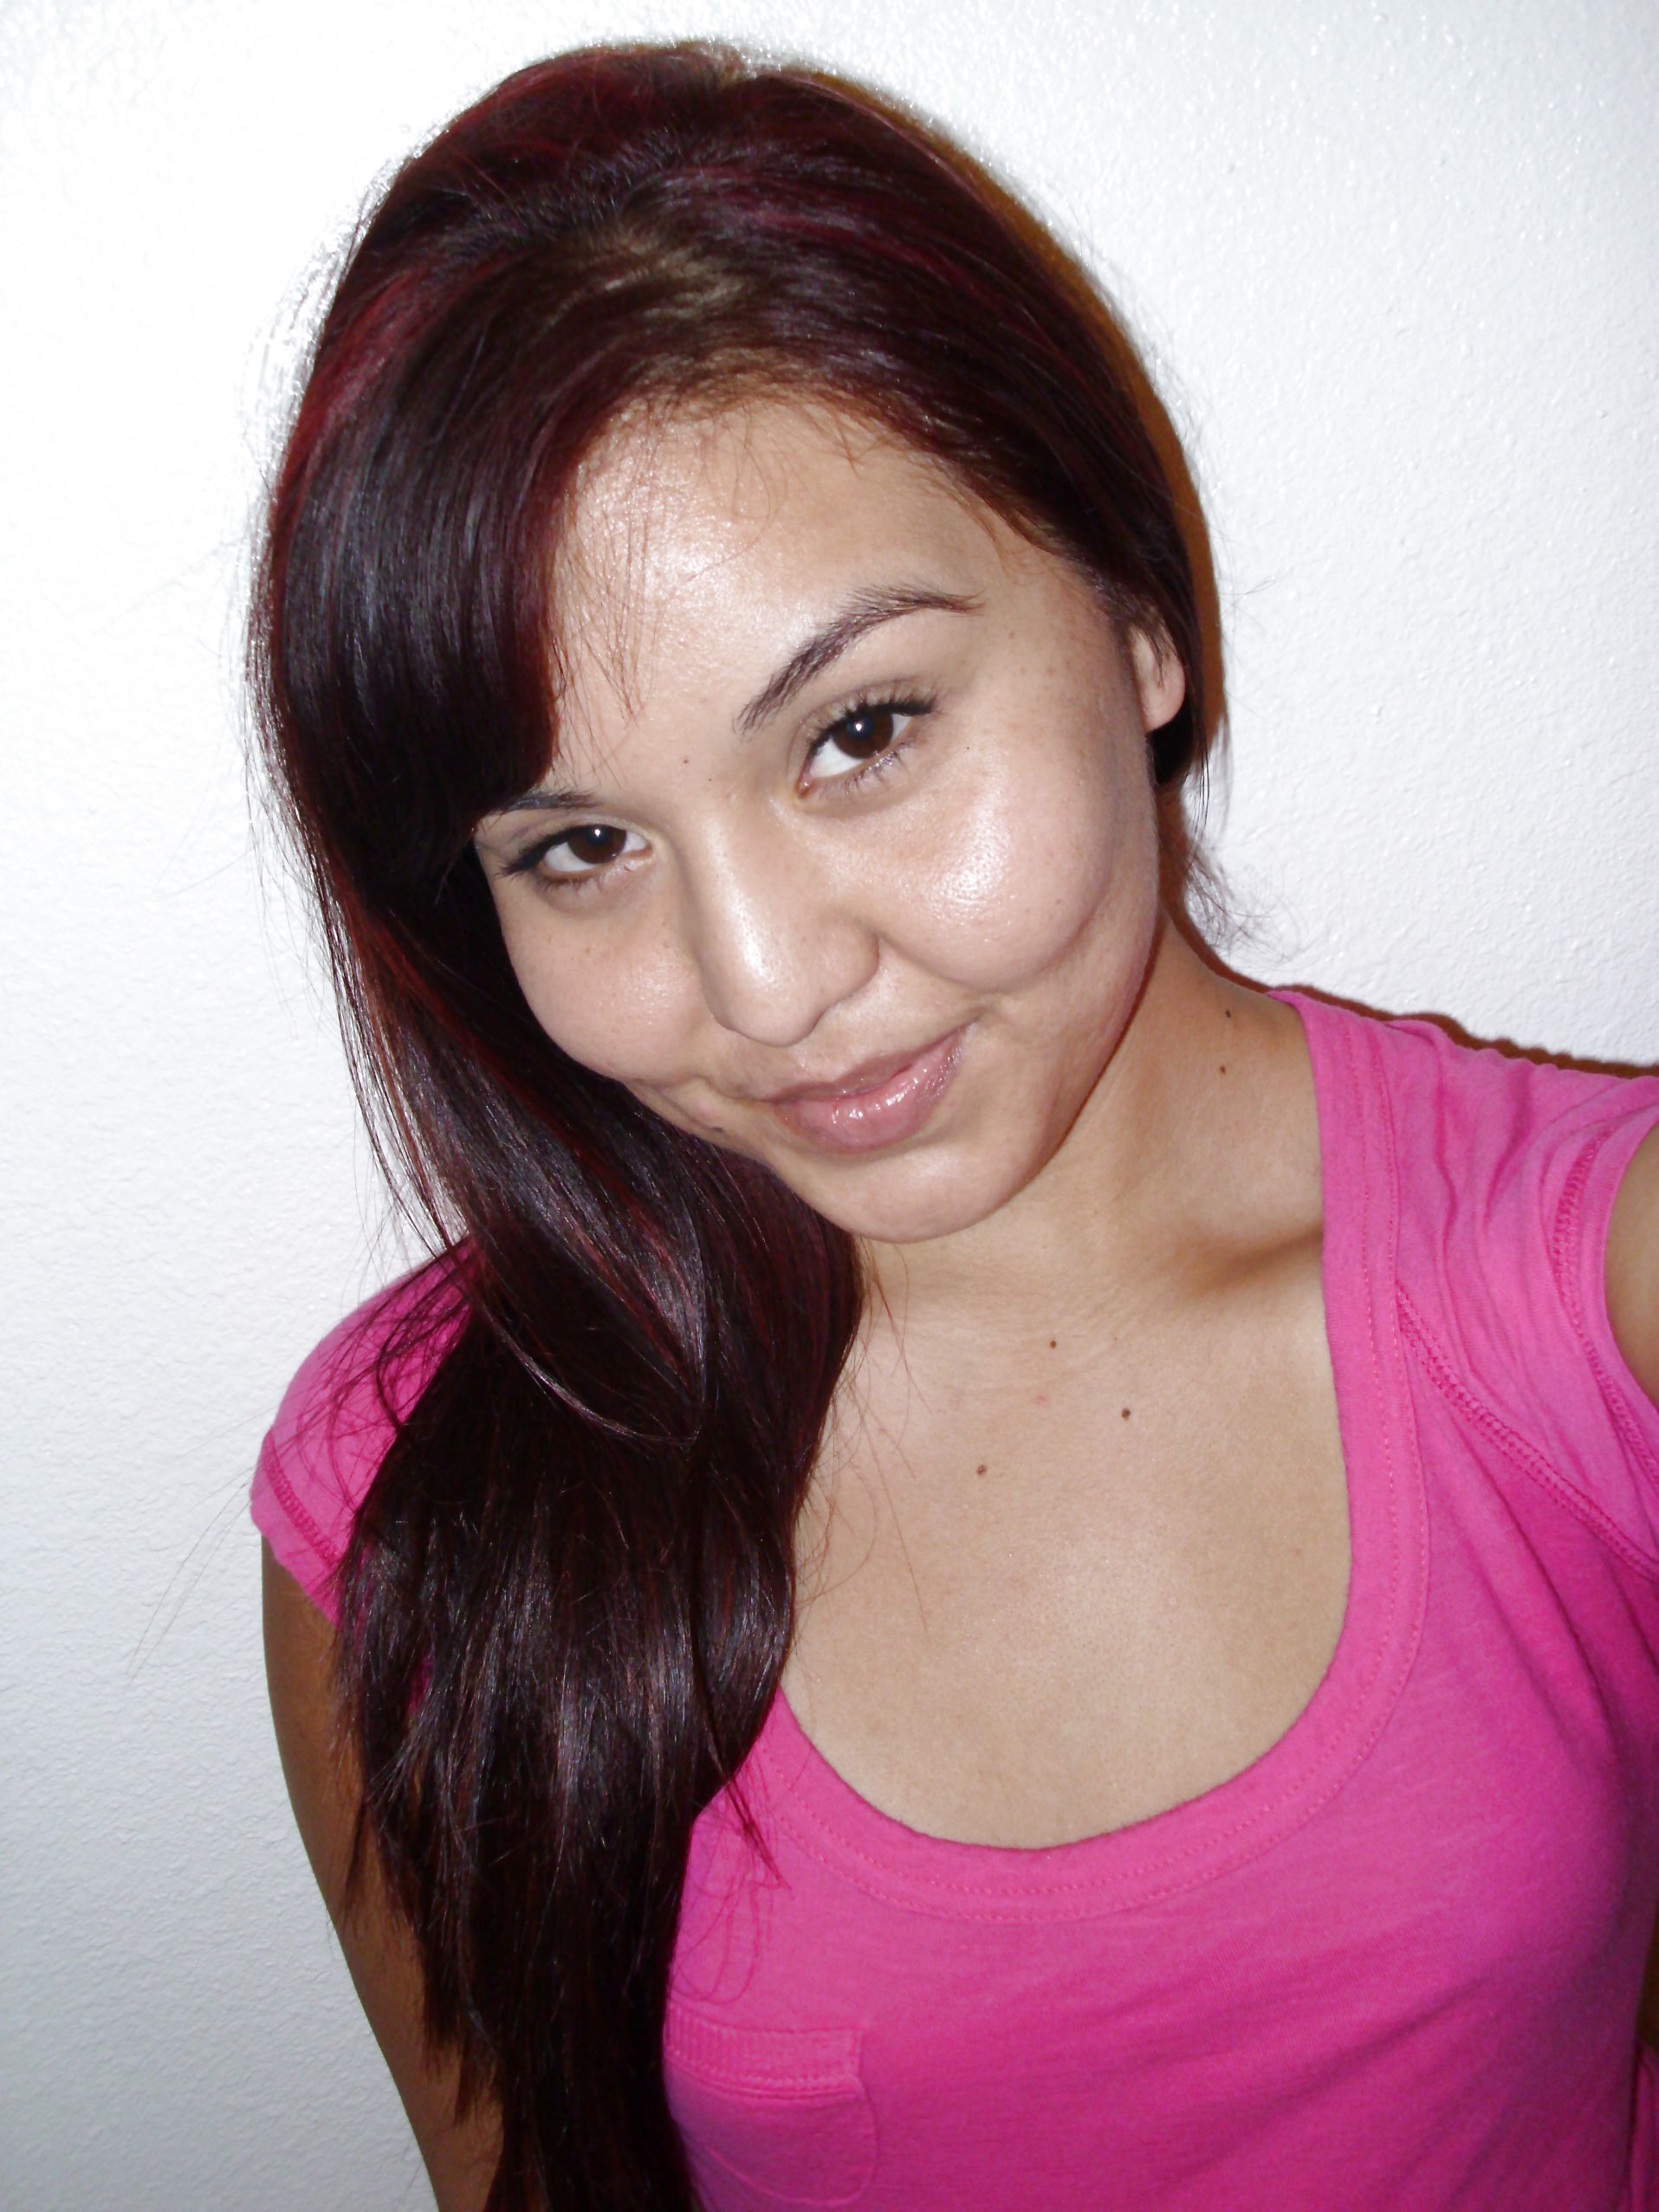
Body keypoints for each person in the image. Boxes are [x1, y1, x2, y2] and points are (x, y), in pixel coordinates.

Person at [249, 39, 1659, 2212]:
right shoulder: (424, 1490)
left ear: (1137, 612)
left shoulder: (1588, 1290)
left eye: (861, 729)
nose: (763, 981)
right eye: (583, 846)